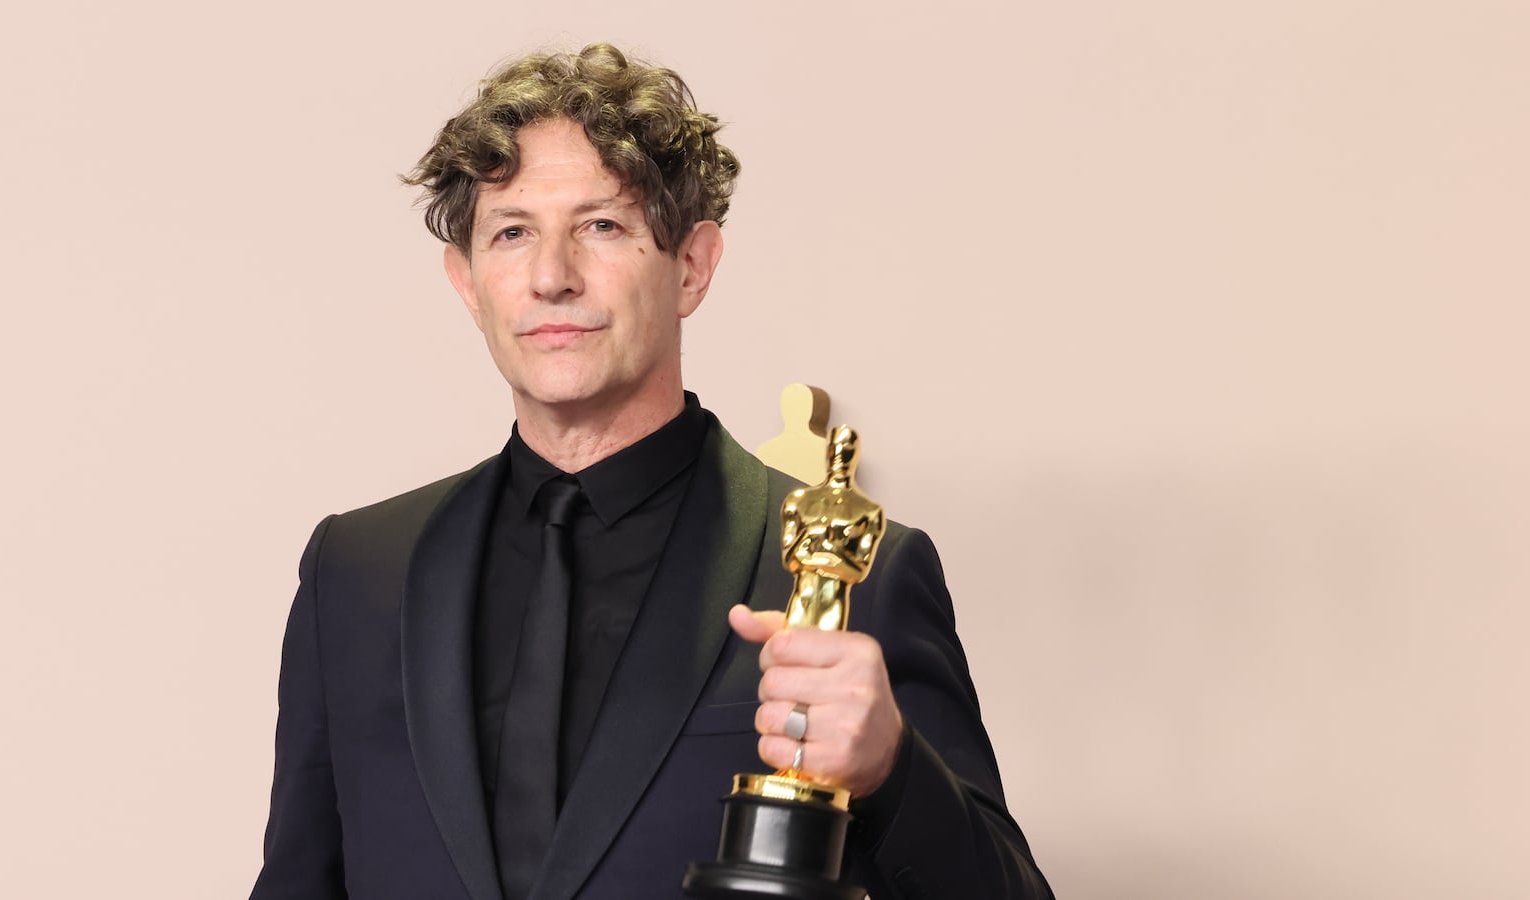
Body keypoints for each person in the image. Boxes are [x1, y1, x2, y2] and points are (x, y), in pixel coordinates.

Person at [249, 43, 1054, 900]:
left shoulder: (869, 576)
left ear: (692, 267)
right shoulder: (355, 572)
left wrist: (894, 768)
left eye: (602, 226)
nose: (551, 278)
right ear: (469, 282)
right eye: (512, 233)